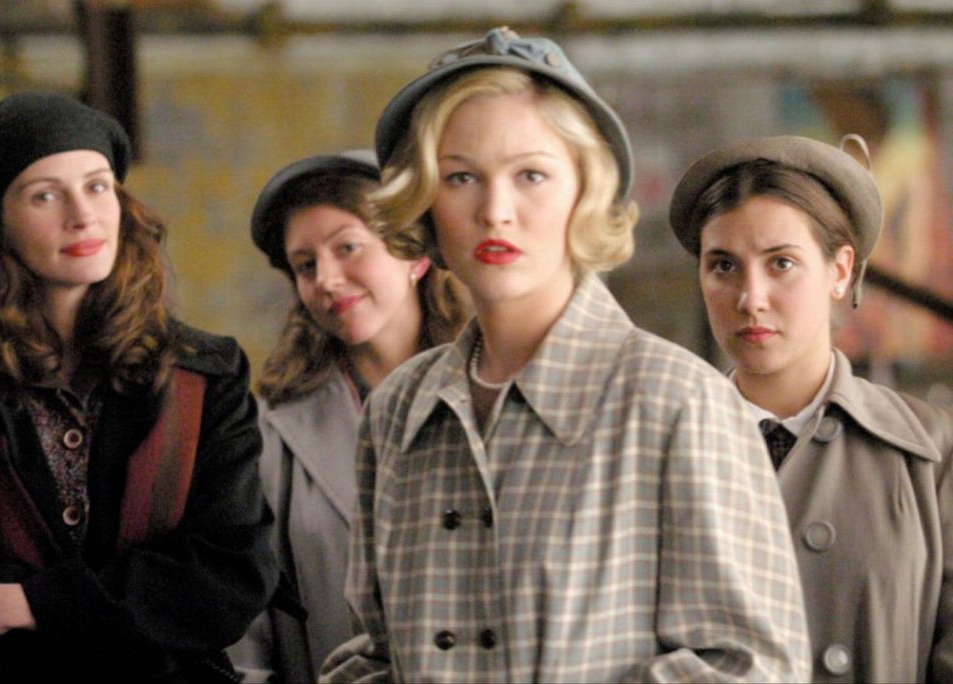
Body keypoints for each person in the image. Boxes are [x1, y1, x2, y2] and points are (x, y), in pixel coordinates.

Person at [320, 27, 811, 682]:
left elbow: (754, 668)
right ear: (426, 200)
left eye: (531, 175)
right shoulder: (397, 411)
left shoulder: (677, 402)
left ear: (586, 191)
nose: (496, 211)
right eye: (461, 176)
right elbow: (377, 655)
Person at [0, 91, 278, 682]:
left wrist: (17, 604)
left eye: (97, 186)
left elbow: (229, 582)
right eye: (45, 195)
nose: (83, 215)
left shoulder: (205, 373)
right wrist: (137, 611)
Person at [669, 134, 953, 682]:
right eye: (723, 266)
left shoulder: (931, 453)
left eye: (781, 263)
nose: (750, 298)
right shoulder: (663, 451)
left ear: (840, 271)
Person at [227, 151, 468, 682]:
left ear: (415, 253)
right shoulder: (269, 437)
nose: (327, 279)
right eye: (305, 265)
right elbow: (247, 631)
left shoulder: (493, 393)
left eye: (347, 247)